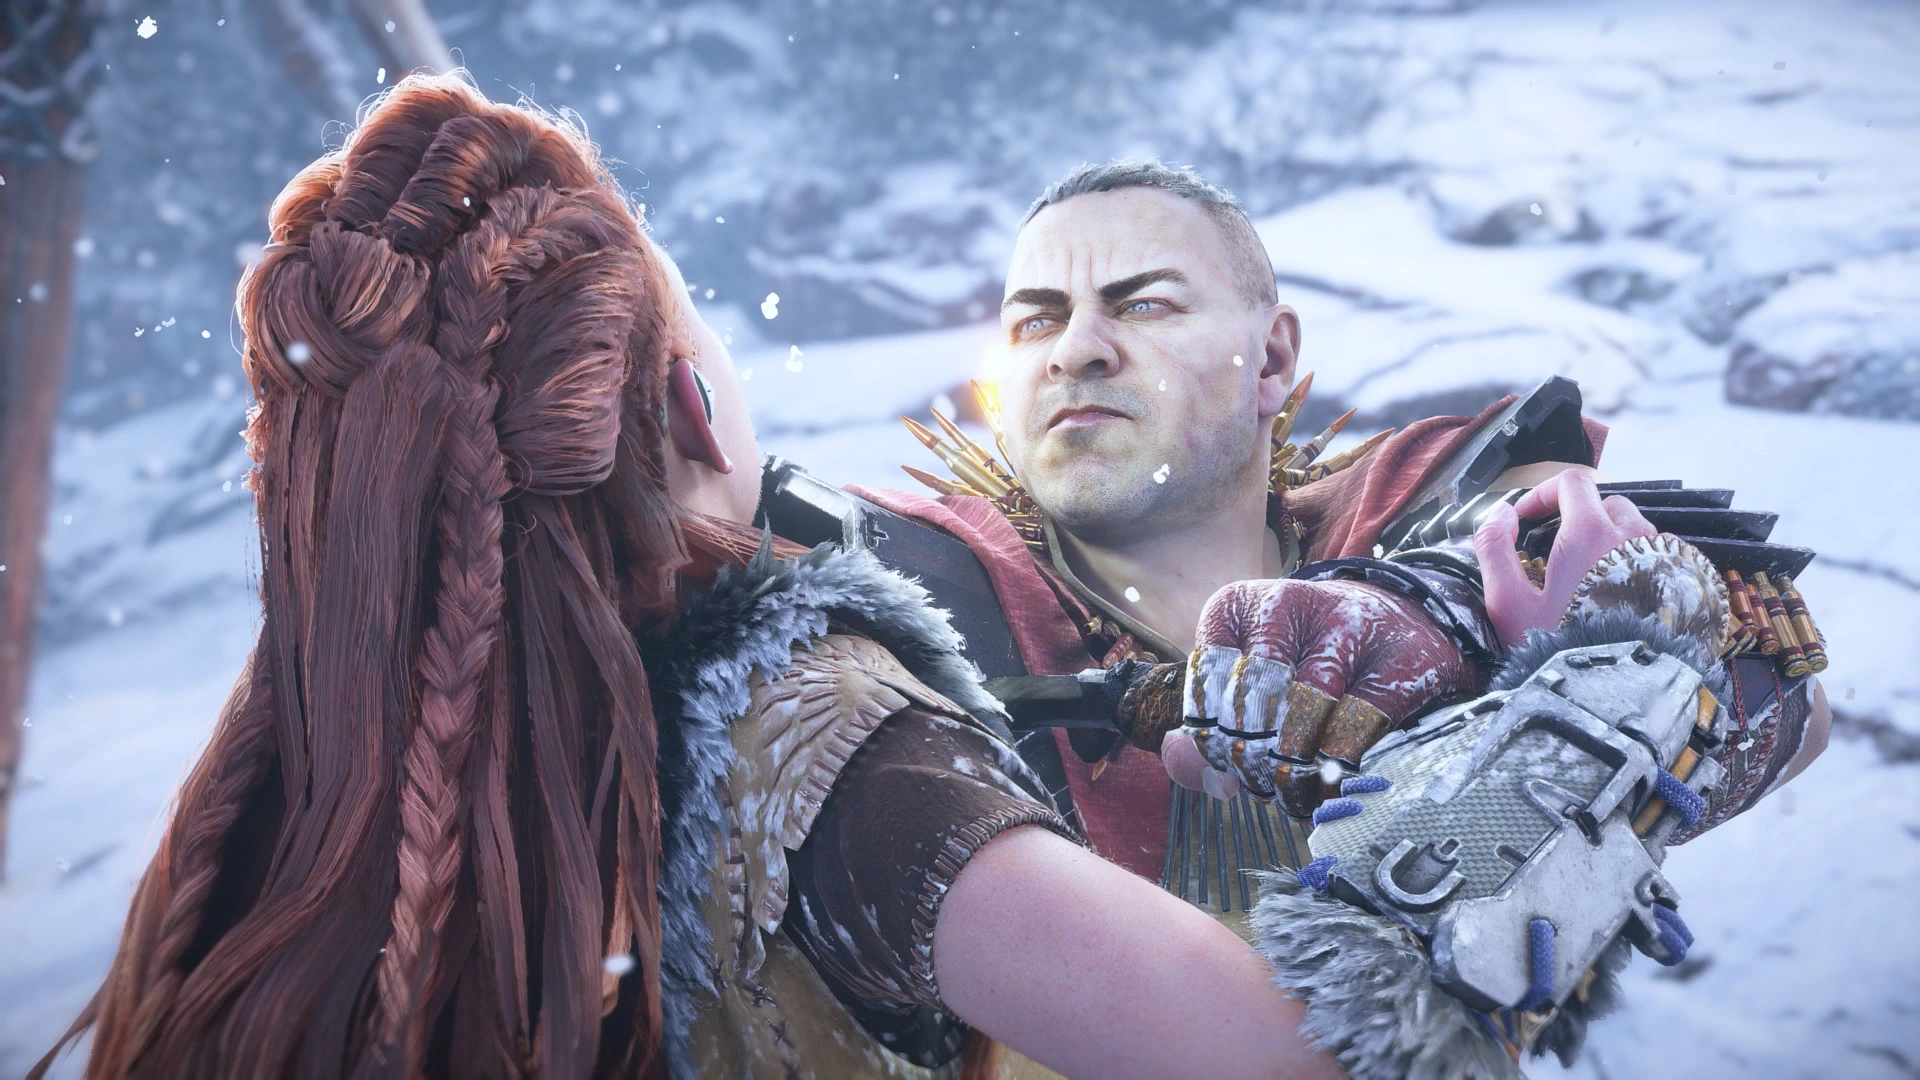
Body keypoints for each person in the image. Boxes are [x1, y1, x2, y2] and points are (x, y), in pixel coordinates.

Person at [33, 81, 1346, 1080]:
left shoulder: (284, 811)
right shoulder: (830, 757)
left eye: (1146, 305)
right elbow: (1303, 1058)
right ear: (693, 408)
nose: (1079, 352)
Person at [859, 159, 1829, 923]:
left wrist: (1450, 622)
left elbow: (1767, 670)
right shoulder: (908, 584)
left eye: (1145, 303)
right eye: (1036, 321)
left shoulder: (1415, 503)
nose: (1076, 349)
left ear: (1271, 357)